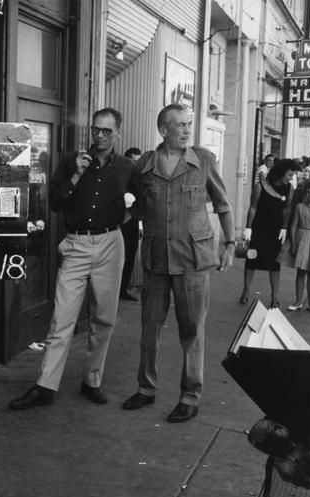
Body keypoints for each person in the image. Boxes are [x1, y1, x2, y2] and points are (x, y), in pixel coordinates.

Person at [9, 108, 137, 410]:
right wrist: (77, 175)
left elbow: (138, 203)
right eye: (96, 130)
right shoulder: (71, 161)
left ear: (118, 132)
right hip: (77, 244)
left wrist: (121, 220)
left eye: (107, 131)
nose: (100, 136)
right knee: (62, 318)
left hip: (109, 243)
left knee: (103, 318)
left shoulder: (127, 168)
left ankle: (92, 380)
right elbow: (55, 203)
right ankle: (45, 386)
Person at [121, 104, 235, 423]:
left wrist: (230, 243)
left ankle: (190, 396)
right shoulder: (145, 163)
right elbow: (135, 203)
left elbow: (224, 207)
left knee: (192, 331)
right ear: (163, 130)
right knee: (149, 328)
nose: (187, 130)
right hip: (156, 258)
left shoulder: (204, 160)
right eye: (180, 125)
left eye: (189, 124)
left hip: (193, 259)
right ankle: (146, 389)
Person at [239, 159, 296, 308]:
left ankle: (274, 296)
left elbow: (287, 209)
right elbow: (253, 208)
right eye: (289, 175)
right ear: (281, 172)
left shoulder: (289, 188)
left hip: (275, 229)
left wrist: (284, 227)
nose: (291, 178)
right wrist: (248, 228)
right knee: (251, 260)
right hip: (258, 228)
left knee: (274, 263)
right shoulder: (260, 186)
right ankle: (246, 291)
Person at [281, 178, 310, 313]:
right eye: (308, 192)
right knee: (301, 271)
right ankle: (298, 300)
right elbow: (294, 225)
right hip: (302, 240)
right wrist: (293, 242)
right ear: (304, 194)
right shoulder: (300, 207)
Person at [120, 147, 143, 301]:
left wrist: (139, 224)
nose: (136, 166)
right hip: (118, 222)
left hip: (133, 221)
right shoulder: (120, 175)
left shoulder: (138, 179)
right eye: (134, 161)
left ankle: (124, 288)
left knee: (130, 256)